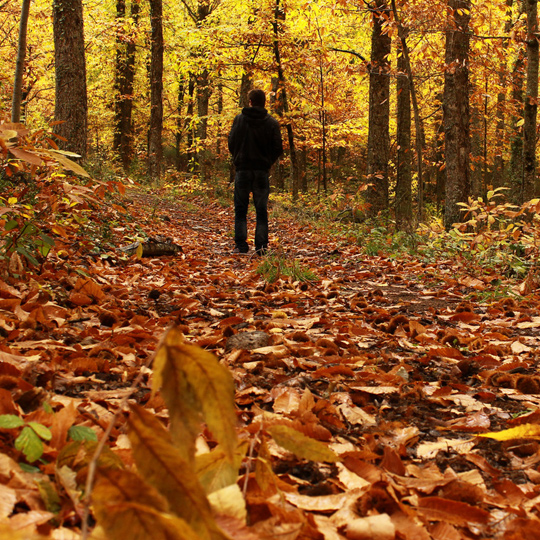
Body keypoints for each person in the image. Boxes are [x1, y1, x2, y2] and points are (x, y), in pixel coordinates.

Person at [228, 89, 283, 255]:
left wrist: (239, 158)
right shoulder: (271, 123)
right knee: (261, 211)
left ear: (250, 102)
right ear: (264, 102)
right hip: (261, 172)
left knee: (240, 209)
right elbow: (277, 148)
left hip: (243, 170)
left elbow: (231, 142)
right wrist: (267, 162)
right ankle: (261, 248)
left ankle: (241, 246)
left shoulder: (239, 120)